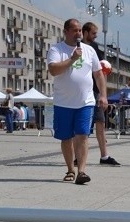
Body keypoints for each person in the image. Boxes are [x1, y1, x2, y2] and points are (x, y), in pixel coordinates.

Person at [47, 18, 108, 185]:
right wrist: (72, 59)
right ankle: (70, 169)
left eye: (80, 30)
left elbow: (98, 74)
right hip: (63, 102)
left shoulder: (89, 50)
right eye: (74, 30)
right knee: (66, 137)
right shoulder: (56, 49)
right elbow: (53, 70)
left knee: (82, 135)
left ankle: (81, 171)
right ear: (66, 32)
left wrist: (103, 95)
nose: (78, 33)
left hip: (85, 101)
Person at [81, 21, 120, 166]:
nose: (95, 36)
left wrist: (103, 94)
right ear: (85, 33)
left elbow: (100, 68)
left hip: (95, 91)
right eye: (93, 33)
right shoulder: (78, 47)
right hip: (83, 90)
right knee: (82, 125)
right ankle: (78, 155)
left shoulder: (95, 48)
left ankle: (104, 156)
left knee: (100, 122)